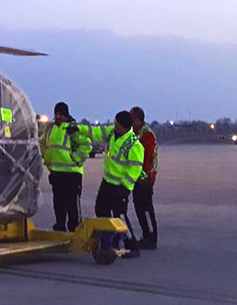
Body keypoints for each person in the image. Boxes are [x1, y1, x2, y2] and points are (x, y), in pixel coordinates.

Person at [91, 109, 145, 256]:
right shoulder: (113, 134)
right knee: (101, 210)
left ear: (124, 126)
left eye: (116, 124)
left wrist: (125, 188)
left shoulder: (134, 144)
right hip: (107, 182)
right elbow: (96, 132)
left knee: (119, 216)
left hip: (119, 186)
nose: (113, 125)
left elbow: (135, 169)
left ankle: (131, 245)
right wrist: (79, 129)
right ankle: (108, 242)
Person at [40, 101, 92, 231]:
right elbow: (42, 143)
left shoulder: (73, 129)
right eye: (56, 114)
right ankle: (60, 225)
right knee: (58, 202)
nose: (57, 116)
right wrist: (46, 157)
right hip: (56, 172)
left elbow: (86, 146)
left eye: (60, 114)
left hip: (72, 173)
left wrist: (76, 160)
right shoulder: (50, 128)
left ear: (66, 115)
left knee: (72, 203)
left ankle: (75, 227)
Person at [130, 106, 158, 249]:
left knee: (146, 208)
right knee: (139, 207)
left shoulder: (147, 135)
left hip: (145, 178)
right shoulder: (134, 133)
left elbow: (148, 158)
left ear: (137, 119)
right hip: (137, 177)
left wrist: (145, 177)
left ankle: (150, 237)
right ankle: (146, 234)